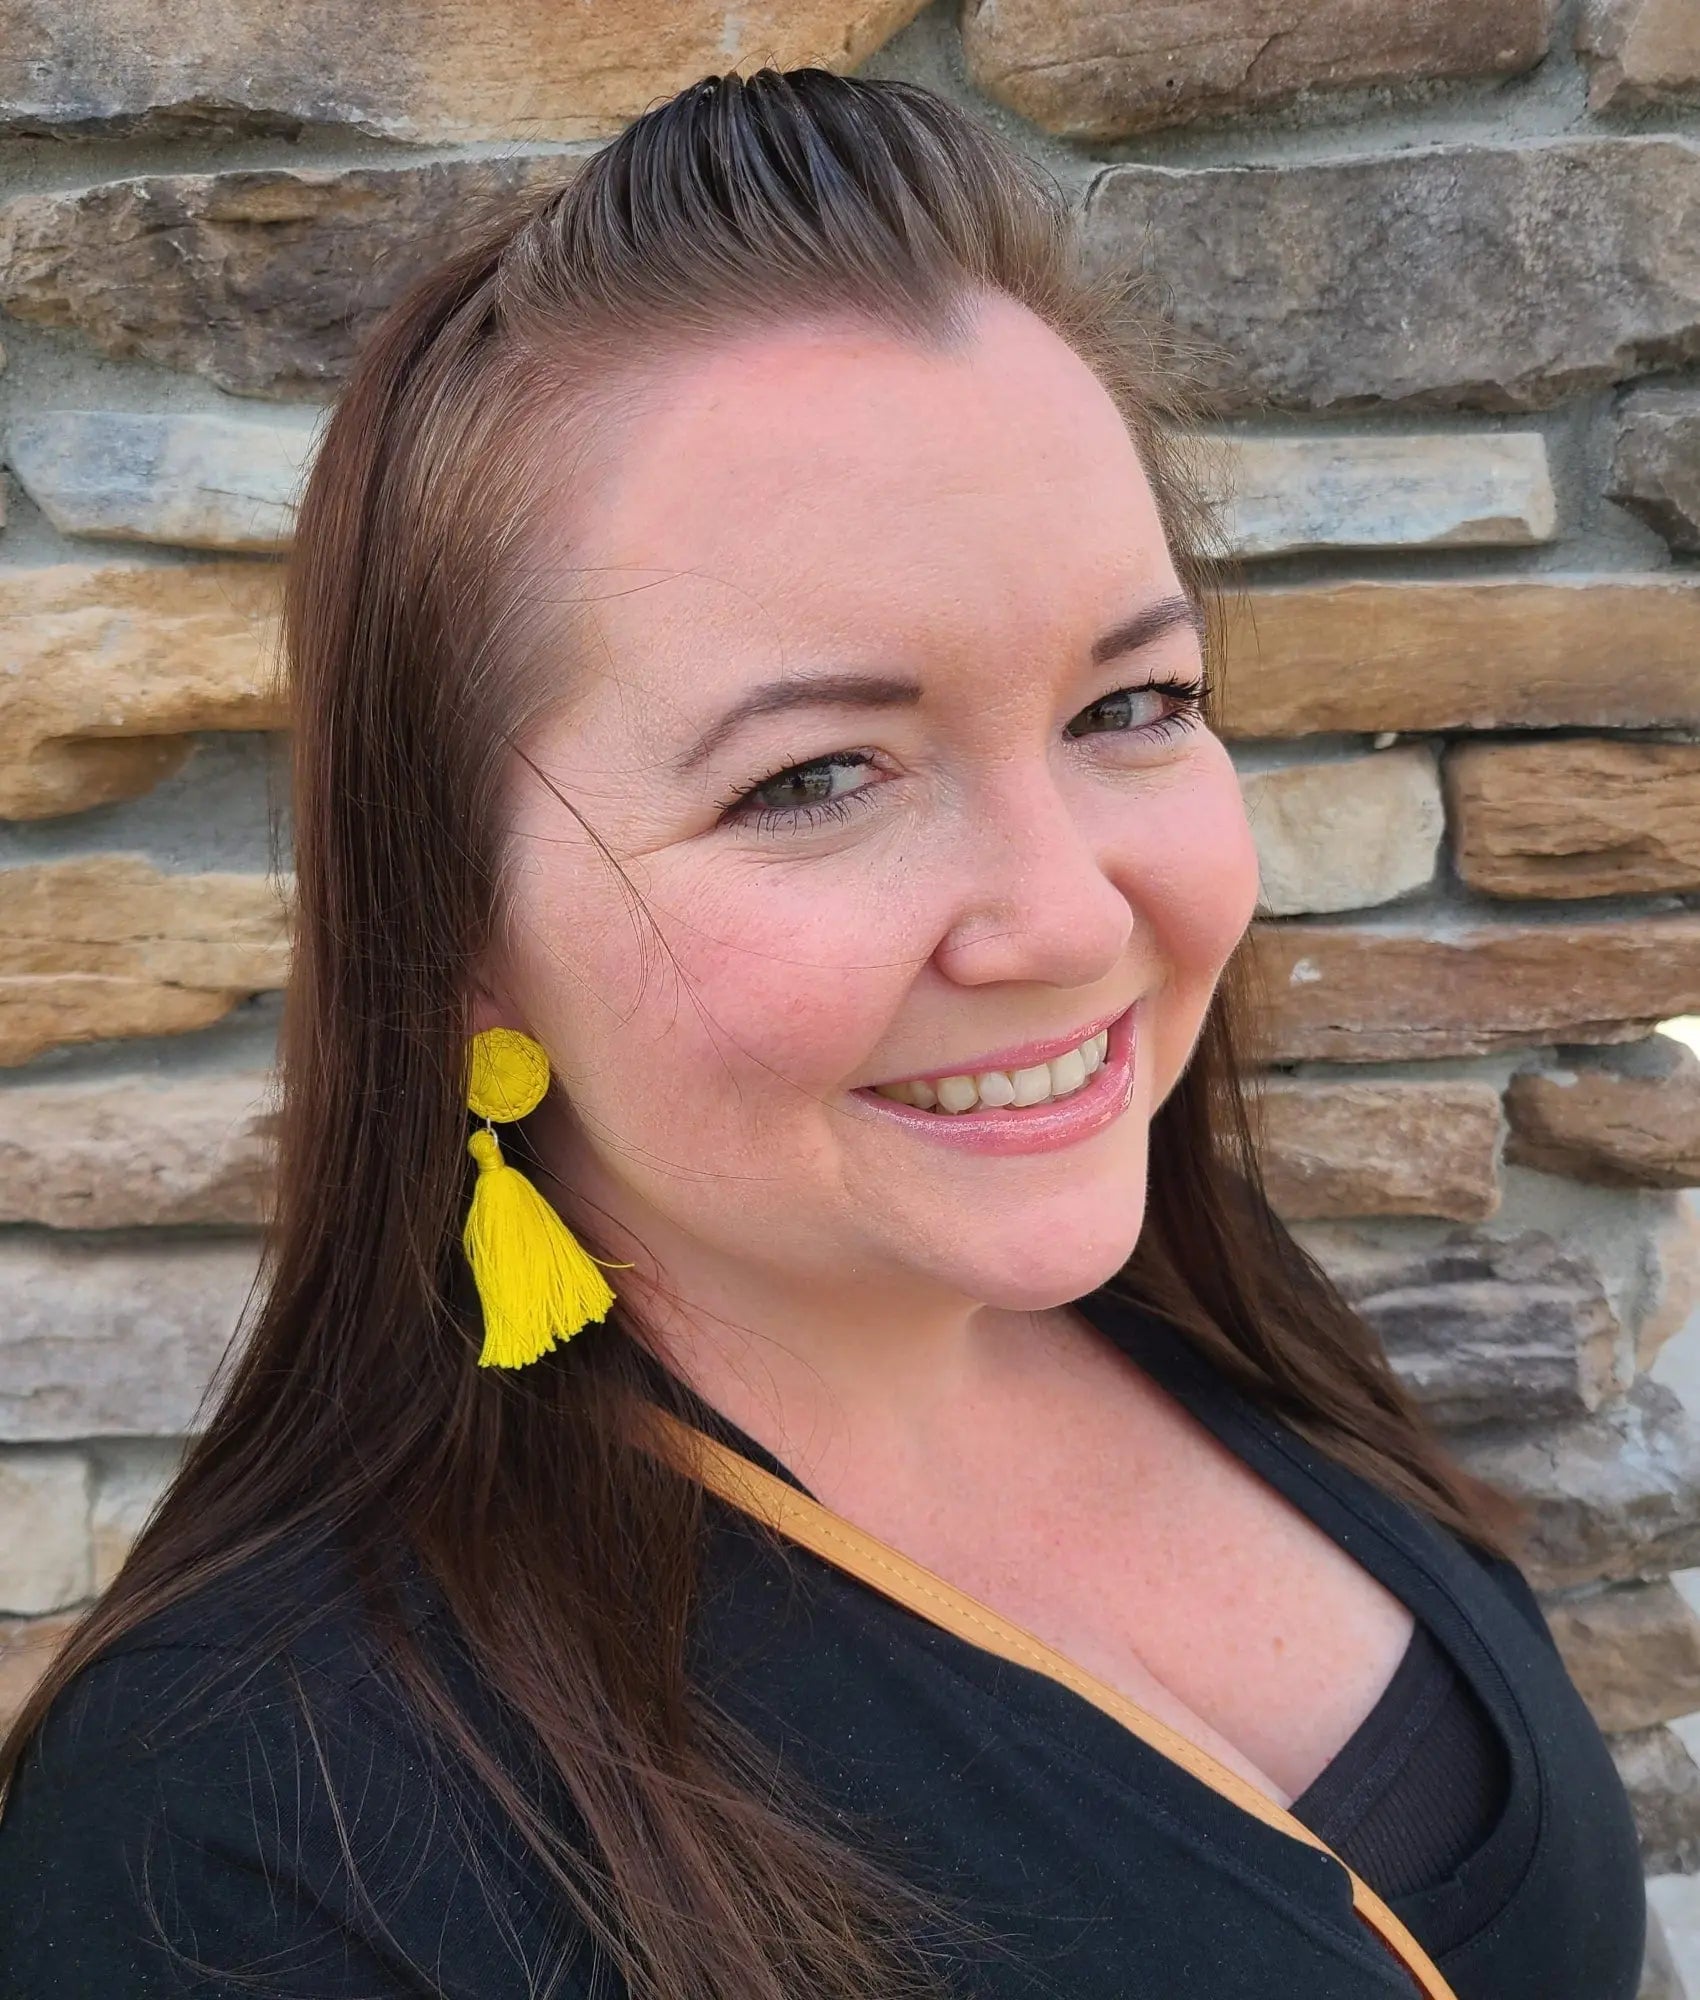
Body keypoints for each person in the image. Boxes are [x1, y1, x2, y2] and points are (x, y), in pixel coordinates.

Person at [0, 67, 1646, 2000]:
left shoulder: (1209, 1330)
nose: (1067, 917)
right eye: (816, 777)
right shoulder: (251, 1846)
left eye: (1130, 705)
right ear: (454, 935)